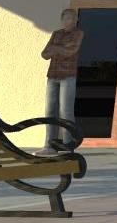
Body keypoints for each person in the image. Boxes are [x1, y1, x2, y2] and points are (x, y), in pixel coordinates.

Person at [40, 9, 83, 150]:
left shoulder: (78, 33)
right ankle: (49, 145)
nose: (67, 21)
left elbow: (70, 52)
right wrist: (60, 49)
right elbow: (45, 54)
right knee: (49, 111)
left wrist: (56, 48)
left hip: (68, 75)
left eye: (70, 18)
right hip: (52, 75)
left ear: (75, 20)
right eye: (64, 18)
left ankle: (67, 144)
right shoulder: (56, 34)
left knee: (66, 111)